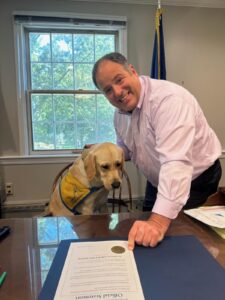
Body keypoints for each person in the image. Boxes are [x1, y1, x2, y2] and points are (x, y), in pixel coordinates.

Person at [92, 52, 222, 250]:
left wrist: (158, 223)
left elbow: (176, 164)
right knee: (144, 238)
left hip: (196, 179)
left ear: (133, 71)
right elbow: (126, 148)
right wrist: (104, 152)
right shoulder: (119, 115)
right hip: (157, 179)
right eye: (108, 90)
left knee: (184, 241)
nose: (117, 92)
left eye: (119, 80)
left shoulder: (169, 100)